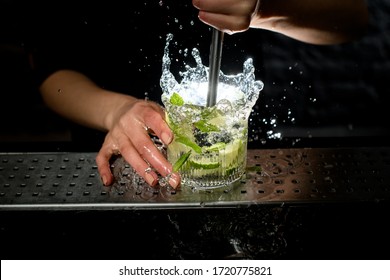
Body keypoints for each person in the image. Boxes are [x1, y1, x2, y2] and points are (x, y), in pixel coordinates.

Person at [36, 0, 369, 189]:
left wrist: (263, 8)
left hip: (238, 164)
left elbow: (353, 17)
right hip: (110, 163)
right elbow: (51, 74)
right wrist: (116, 111)